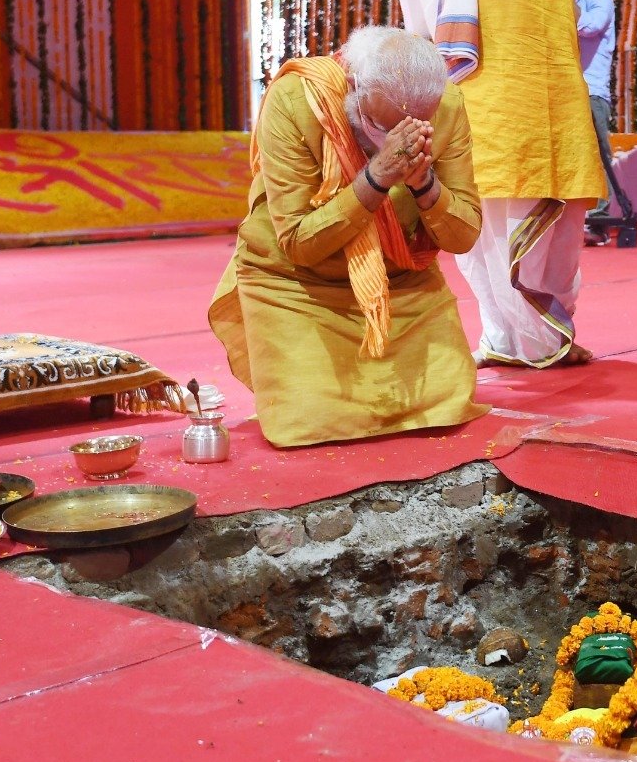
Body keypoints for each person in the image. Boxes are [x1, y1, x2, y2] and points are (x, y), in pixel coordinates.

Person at [208, 26, 488, 447]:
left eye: (414, 125)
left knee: (447, 403)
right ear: (353, 86)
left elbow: (464, 234)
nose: (391, 140)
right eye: (378, 125)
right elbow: (299, 242)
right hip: (297, 286)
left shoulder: (446, 105)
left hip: (401, 283)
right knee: (310, 421)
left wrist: (424, 184)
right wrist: (375, 180)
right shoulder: (297, 99)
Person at [396, 0, 607, 368]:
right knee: (483, 218)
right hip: (482, 87)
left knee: (561, 218)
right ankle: (502, 335)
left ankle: (549, 333)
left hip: (550, 81)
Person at [575, 0, 616, 221]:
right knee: (577, 154)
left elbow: (590, 27)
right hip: (568, 89)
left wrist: (566, 2)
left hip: (592, 90)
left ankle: (599, 219)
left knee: (599, 153)